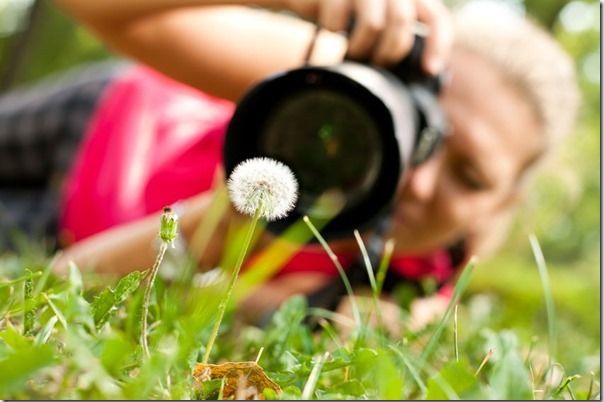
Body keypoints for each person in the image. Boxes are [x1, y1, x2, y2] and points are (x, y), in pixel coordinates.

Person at [0, 0, 578, 326]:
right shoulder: (324, 76)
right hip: (109, 122)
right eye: (421, 130)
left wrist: (225, 230)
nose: (416, 178)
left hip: (73, 235)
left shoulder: (404, 287)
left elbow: (58, 289)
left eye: (471, 177)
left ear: (502, 205)